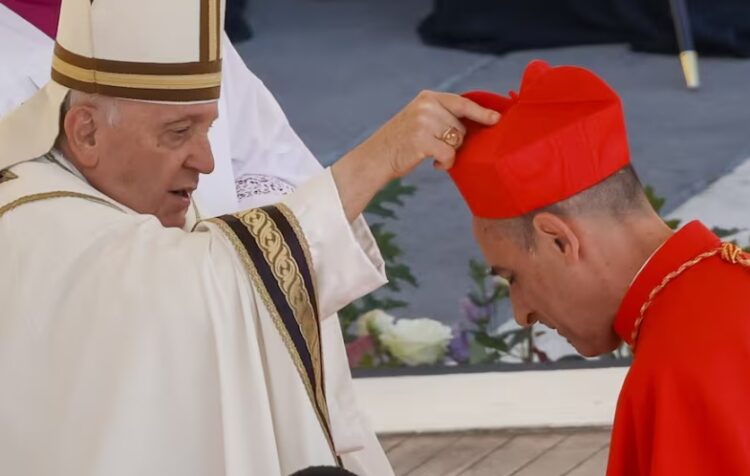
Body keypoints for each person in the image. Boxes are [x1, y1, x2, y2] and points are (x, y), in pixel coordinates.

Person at [0, 0, 499, 475]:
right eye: (178, 133)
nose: (208, 161)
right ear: (84, 133)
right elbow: (179, 292)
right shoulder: (31, 218)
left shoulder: (167, 31)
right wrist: (377, 160)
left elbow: (273, 188)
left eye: (207, 130)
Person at [448, 59, 750, 475]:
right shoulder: (727, 289)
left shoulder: (676, 370)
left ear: (559, 240)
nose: (521, 314)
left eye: (513, 278)